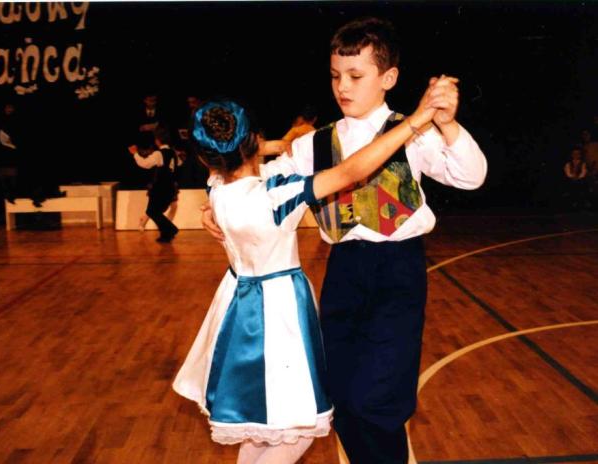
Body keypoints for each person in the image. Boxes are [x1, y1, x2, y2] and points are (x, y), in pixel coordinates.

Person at [202, 18, 487, 464]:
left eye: (356, 76)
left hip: (398, 272)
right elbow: (255, 180)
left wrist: (448, 125)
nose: (343, 87)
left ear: (388, 78)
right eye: (336, 76)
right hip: (344, 271)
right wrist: (213, 202)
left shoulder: (412, 133)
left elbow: (470, 176)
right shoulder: (312, 145)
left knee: (379, 399)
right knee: (339, 395)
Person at [174, 81, 443, 464]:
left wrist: (276, 143)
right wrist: (414, 121)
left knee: (264, 425)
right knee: (298, 429)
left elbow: (237, 160)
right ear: (253, 140)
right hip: (277, 315)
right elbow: (351, 171)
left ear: (205, 158)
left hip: (237, 309)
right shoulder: (274, 196)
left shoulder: (216, 188)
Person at [129, 126, 180, 242]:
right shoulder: (173, 153)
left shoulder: (159, 154)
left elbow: (145, 164)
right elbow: (179, 164)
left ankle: (170, 230)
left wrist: (135, 154)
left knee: (152, 211)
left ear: (157, 140)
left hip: (160, 188)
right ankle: (166, 234)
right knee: (154, 211)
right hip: (170, 187)